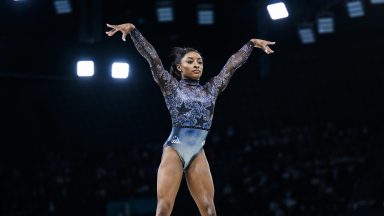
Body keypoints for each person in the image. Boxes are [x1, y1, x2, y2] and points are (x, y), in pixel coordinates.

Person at [105, 22, 275, 216]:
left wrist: (251, 44)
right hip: (175, 150)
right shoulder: (171, 86)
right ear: (179, 67)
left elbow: (231, 66)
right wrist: (134, 32)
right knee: (164, 208)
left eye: (200, 62)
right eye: (190, 61)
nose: (196, 65)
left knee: (209, 210)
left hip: (197, 153)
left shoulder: (211, 89)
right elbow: (153, 59)